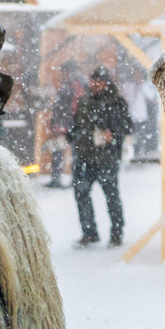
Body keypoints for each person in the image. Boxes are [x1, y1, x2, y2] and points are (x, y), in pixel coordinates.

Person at [68, 66, 131, 248]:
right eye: (93, 80)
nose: (94, 84)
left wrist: (113, 134)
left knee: (111, 195)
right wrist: (69, 136)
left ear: (106, 83)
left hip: (106, 157)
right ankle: (89, 233)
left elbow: (126, 126)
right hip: (84, 156)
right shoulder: (84, 101)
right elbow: (77, 126)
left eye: (99, 81)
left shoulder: (116, 102)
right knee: (82, 193)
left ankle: (116, 233)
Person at [45, 62, 84, 188]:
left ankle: (73, 178)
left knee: (73, 152)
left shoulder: (75, 87)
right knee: (60, 151)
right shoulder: (69, 87)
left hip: (71, 124)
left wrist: (61, 124)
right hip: (67, 124)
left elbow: (70, 107)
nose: (63, 75)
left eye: (65, 72)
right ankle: (59, 178)